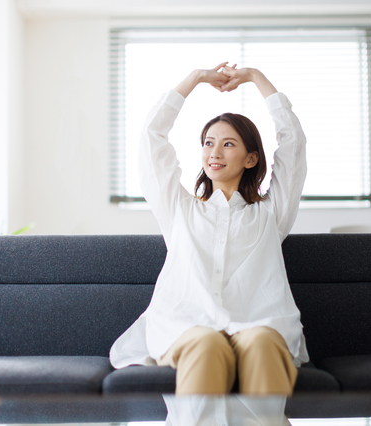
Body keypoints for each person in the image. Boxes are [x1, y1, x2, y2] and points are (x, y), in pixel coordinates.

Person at [109, 63, 309, 395]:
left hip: (257, 324)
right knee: (206, 343)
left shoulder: (270, 214)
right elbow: (151, 137)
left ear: (251, 159)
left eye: (228, 144)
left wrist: (256, 78)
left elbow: (294, 144)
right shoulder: (179, 209)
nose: (214, 152)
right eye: (208, 143)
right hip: (187, 327)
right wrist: (195, 79)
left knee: (260, 341)